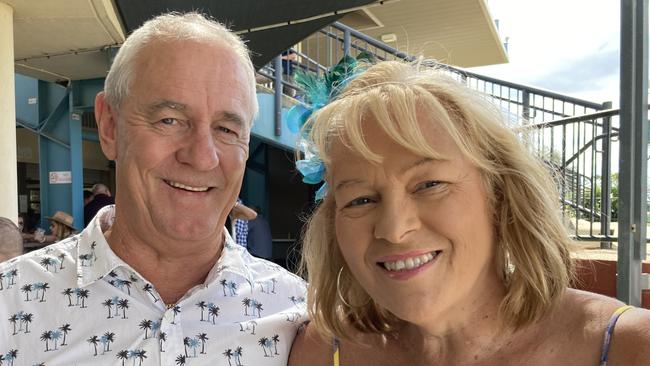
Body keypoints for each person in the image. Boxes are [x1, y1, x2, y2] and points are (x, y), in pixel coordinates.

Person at [288, 60, 650, 365]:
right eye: (361, 200)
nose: (395, 229)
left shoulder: (630, 348)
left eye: (429, 184)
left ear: (501, 195)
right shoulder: (319, 353)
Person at [0, 12, 306, 365]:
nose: (203, 157)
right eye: (170, 120)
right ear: (110, 127)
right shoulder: (10, 304)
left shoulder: (301, 322)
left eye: (226, 129)